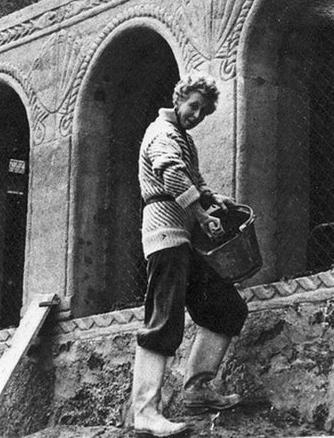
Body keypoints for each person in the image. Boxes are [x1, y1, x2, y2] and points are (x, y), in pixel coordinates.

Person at [131, 73, 248, 437]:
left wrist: (214, 200)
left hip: (183, 240)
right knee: (163, 321)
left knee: (227, 306)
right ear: (178, 97)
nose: (196, 114)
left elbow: (192, 178)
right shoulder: (162, 133)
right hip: (164, 237)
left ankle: (197, 391)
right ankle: (145, 412)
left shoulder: (182, 137)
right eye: (193, 105)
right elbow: (170, 173)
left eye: (203, 111)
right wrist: (199, 213)